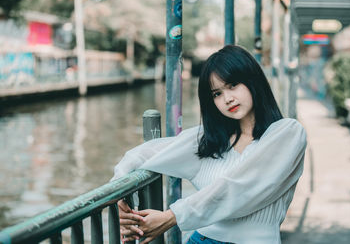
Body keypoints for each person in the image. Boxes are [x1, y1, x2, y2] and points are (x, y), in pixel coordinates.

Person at [111, 45, 307, 244]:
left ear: (252, 81)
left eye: (232, 85)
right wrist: (118, 193)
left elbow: (238, 188)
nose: (228, 99)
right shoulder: (208, 141)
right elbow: (143, 154)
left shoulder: (287, 134)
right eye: (216, 94)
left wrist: (173, 216)